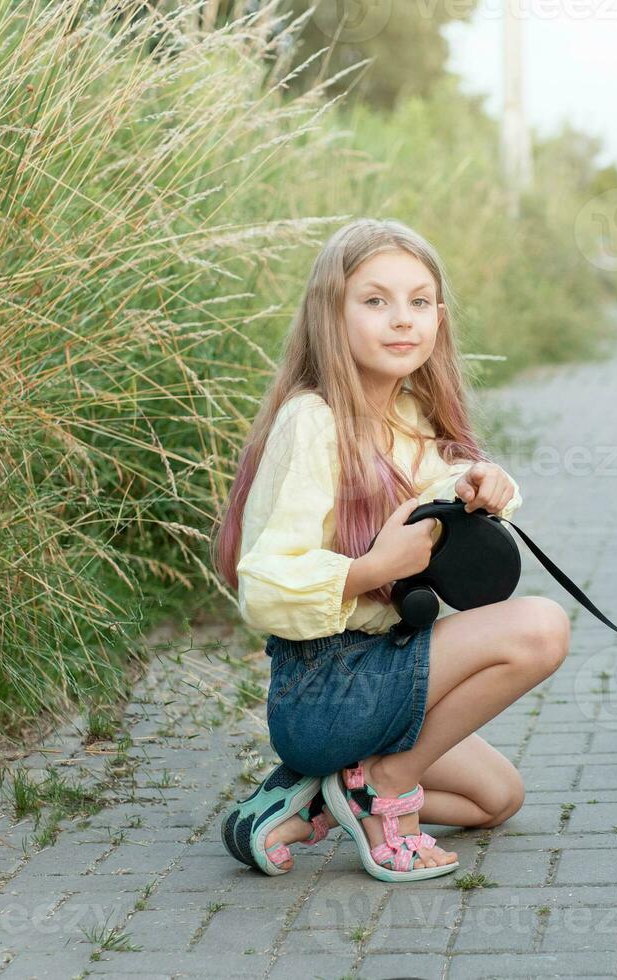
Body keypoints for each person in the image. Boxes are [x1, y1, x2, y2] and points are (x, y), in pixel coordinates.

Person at [211, 218, 570, 882]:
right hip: (327, 686)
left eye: (420, 300)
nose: (402, 319)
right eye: (375, 301)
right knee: (541, 627)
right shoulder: (312, 423)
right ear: (330, 314)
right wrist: (372, 570)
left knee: (495, 800)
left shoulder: (410, 416)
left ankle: (323, 796)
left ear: (439, 315)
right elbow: (261, 585)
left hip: (383, 673)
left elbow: (445, 487)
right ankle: (381, 786)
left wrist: (484, 485)